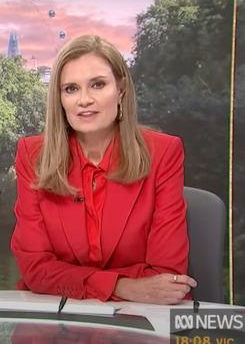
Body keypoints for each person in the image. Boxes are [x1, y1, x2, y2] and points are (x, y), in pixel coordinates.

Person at [10, 34, 196, 304]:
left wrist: (71, 278)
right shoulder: (33, 155)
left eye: (97, 85)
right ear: (59, 99)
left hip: (141, 324)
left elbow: (165, 278)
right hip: (57, 321)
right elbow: (36, 270)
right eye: (71, 89)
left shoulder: (163, 153)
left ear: (120, 90)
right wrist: (124, 286)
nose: (84, 100)